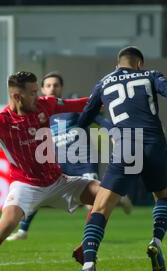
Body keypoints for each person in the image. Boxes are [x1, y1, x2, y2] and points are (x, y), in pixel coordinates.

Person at [0, 71, 100, 271]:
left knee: (105, 195)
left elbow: (74, 104)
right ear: (17, 97)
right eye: (32, 93)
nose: (37, 96)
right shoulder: (1, 120)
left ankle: (86, 249)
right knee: (7, 223)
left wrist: (101, 98)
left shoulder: (44, 105)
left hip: (57, 180)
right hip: (26, 185)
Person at [62, 46, 167, 271]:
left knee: (101, 206)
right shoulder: (150, 75)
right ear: (139, 63)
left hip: (124, 146)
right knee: (163, 196)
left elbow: (86, 116)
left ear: (117, 64)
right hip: (153, 142)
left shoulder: (103, 83)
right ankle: (156, 240)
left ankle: (89, 266)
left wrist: (77, 132)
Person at [7, 72, 132, 242]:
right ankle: (23, 231)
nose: (52, 88)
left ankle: (91, 236)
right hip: (58, 162)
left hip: (83, 162)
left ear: (61, 88)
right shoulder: (36, 113)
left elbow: (99, 119)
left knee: (92, 202)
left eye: (56, 85)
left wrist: (113, 134)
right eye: (48, 85)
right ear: (42, 89)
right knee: (36, 191)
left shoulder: (70, 108)